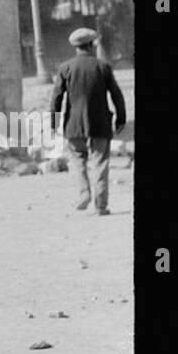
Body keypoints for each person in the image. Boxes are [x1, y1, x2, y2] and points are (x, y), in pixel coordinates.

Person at [50, 27, 126, 216]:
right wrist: (120, 120)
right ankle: (101, 205)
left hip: (74, 125)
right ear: (92, 45)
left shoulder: (65, 68)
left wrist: (54, 122)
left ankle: (84, 194)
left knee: (77, 161)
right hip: (100, 123)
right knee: (100, 162)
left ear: (76, 47)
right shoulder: (103, 67)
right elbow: (117, 95)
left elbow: (56, 98)